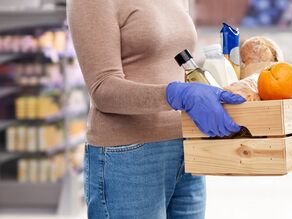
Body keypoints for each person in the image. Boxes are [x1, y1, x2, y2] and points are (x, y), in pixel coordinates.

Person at [67, 0, 245, 218]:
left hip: (186, 150)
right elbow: (103, 88)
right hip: (128, 158)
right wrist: (176, 95)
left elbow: (174, 64)